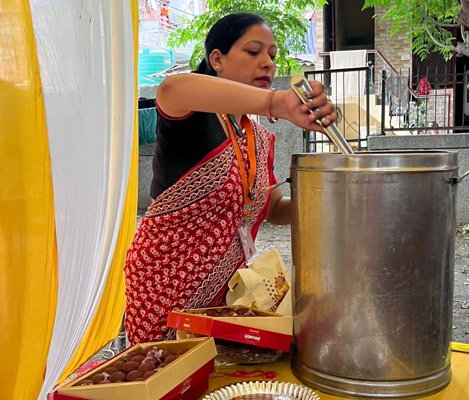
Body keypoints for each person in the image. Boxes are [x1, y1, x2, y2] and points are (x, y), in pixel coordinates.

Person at [124, 12, 337, 344]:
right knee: (166, 366)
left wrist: (330, 201)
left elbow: (272, 208)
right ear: (216, 59)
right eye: (253, 51)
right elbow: (172, 89)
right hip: (165, 282)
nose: (267, 63)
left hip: (227, 287)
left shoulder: (259, 138)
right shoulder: (191, 113)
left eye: (272, 56)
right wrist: (277, 102)